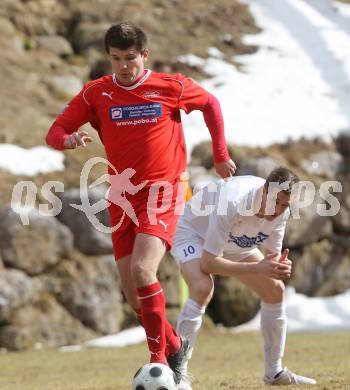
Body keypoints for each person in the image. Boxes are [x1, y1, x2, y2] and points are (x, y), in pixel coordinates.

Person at [45, 21, 236, 384]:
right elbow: (54, 131)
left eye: (130, 58)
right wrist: (68, 141)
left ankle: (160, 362)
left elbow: (210, 104)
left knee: (144, 272)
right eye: (116, 58)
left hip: (164, 191)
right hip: (121, 197)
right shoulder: (96, 94)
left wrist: (219, 153)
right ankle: (175, 346)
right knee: (135, 299)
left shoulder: (170, 86)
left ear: (144, 55)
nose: (123, 66)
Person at [171, 167, 317, 389]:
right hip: (194, 234)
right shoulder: (233, 201)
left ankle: (274, 372)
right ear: (264, 190)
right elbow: (209, 263)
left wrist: (278, 267)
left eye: (284, 205)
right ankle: (177, 373)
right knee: (202, 287)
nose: (277, 210)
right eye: (275, 202)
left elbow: (271, 259)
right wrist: (259, 268)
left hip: (235, 241)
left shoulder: (282, 213)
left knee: (275, 289)